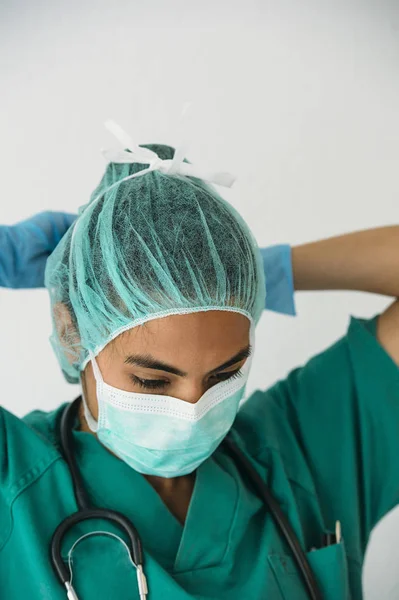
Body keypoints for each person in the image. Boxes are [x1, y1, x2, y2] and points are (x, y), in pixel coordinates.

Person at [0, 141, 398, 600]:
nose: (192, 409)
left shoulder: (303, 450)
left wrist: (256, 274)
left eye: (224, 375)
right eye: (152, 381)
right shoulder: (14, 477)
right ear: (73, 333)